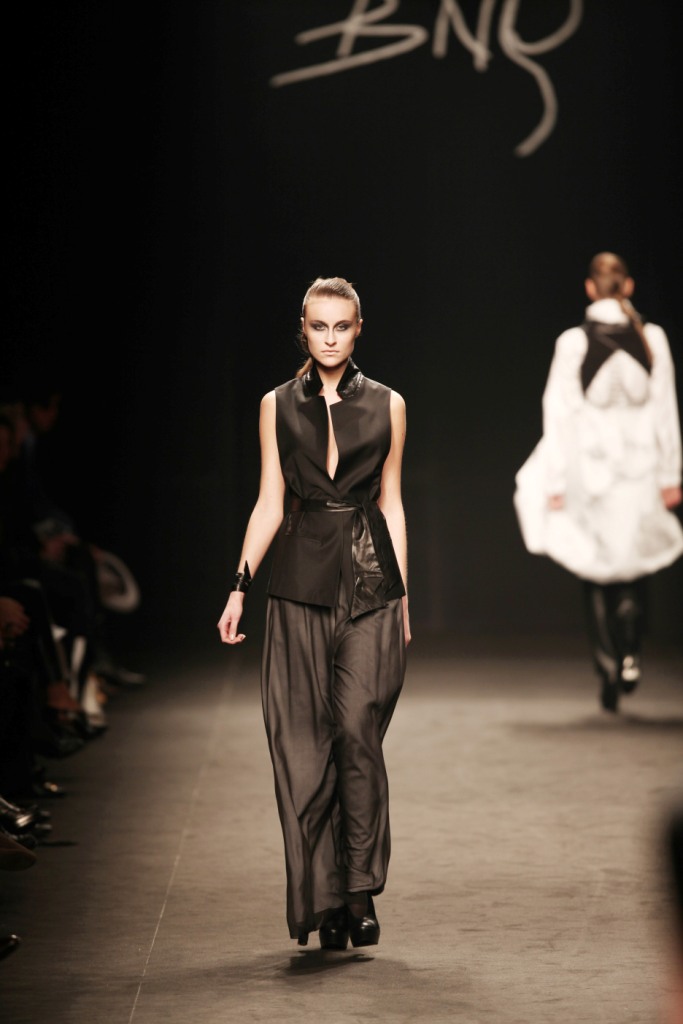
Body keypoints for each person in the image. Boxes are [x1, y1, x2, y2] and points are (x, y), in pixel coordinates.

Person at [217, 276, 411, 949]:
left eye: (342, 326)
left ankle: (359, 889)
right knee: (305, 746)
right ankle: (328, 902)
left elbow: (391, 501)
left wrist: (403, 595)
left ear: (358, 329)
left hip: (371, 583)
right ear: (302, 329)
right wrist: (239, 586)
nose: (330, 338)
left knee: (357, 732)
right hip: (298, 583)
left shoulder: (389, 404)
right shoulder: (275, 404)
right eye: (319, 326)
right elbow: (270, 501)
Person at [514, 252, 683, 713]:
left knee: (595, 564)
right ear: (627, 287)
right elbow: (665, 409)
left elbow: (558, 412)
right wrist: (671, 474)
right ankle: (631, 650)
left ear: (590, 288)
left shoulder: (575, 342)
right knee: (634, 560)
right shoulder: (652, 338)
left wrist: (555, 478)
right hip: (641, 466)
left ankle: (609, 662)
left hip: (591, 469)